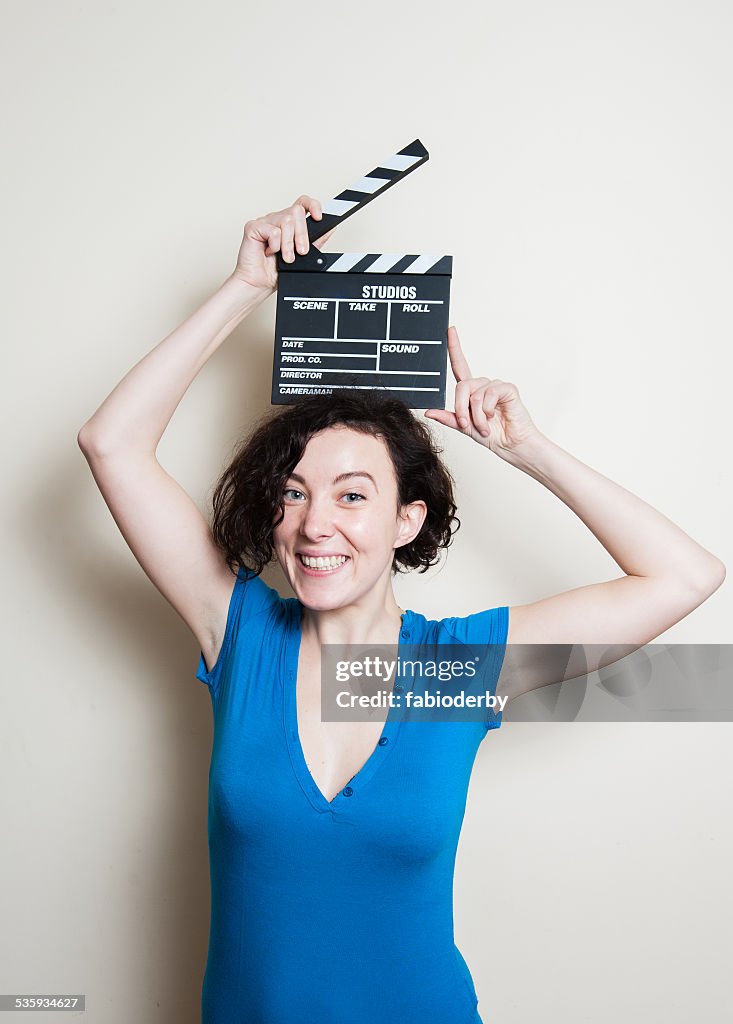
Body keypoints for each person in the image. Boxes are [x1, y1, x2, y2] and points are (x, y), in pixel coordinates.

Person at [77, 195, 725, 1024]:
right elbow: (112, 443)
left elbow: (683, 576)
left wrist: (529, 451)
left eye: (353, 495)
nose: (317, 524)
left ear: (404, 520)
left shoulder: (452, 672)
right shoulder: (239, 635)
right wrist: (244, 285)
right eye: (294, 495)